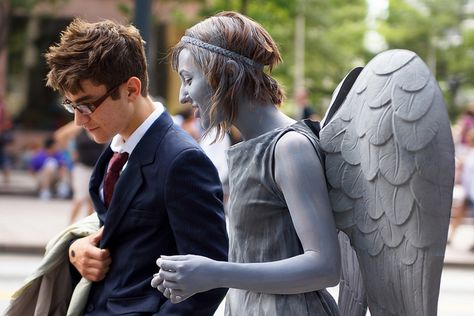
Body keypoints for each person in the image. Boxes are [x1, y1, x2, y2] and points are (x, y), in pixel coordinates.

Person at [151, 11, 340, 315]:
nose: (184, 96)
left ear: (225, 72)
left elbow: (325, 266)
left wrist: (216, 273)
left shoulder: (290, 147)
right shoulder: (254, 147)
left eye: (188, 79)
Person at [44, 18, 228, 315]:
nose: (78, 120)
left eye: (87, 104)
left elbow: (211, 278)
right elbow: (117, 235)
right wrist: (77, 252)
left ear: (131, 89)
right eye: (71, 105)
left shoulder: (182, 160)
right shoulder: (117, 149)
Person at [54, 121, 105, 224]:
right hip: (82, 167)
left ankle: (88, 226)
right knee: (79, 198)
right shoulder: (80, 124)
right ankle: (70, 225)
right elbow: (59, 135)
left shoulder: (100, 122)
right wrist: (69, 152)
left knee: (92, 200)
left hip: (96, 167)